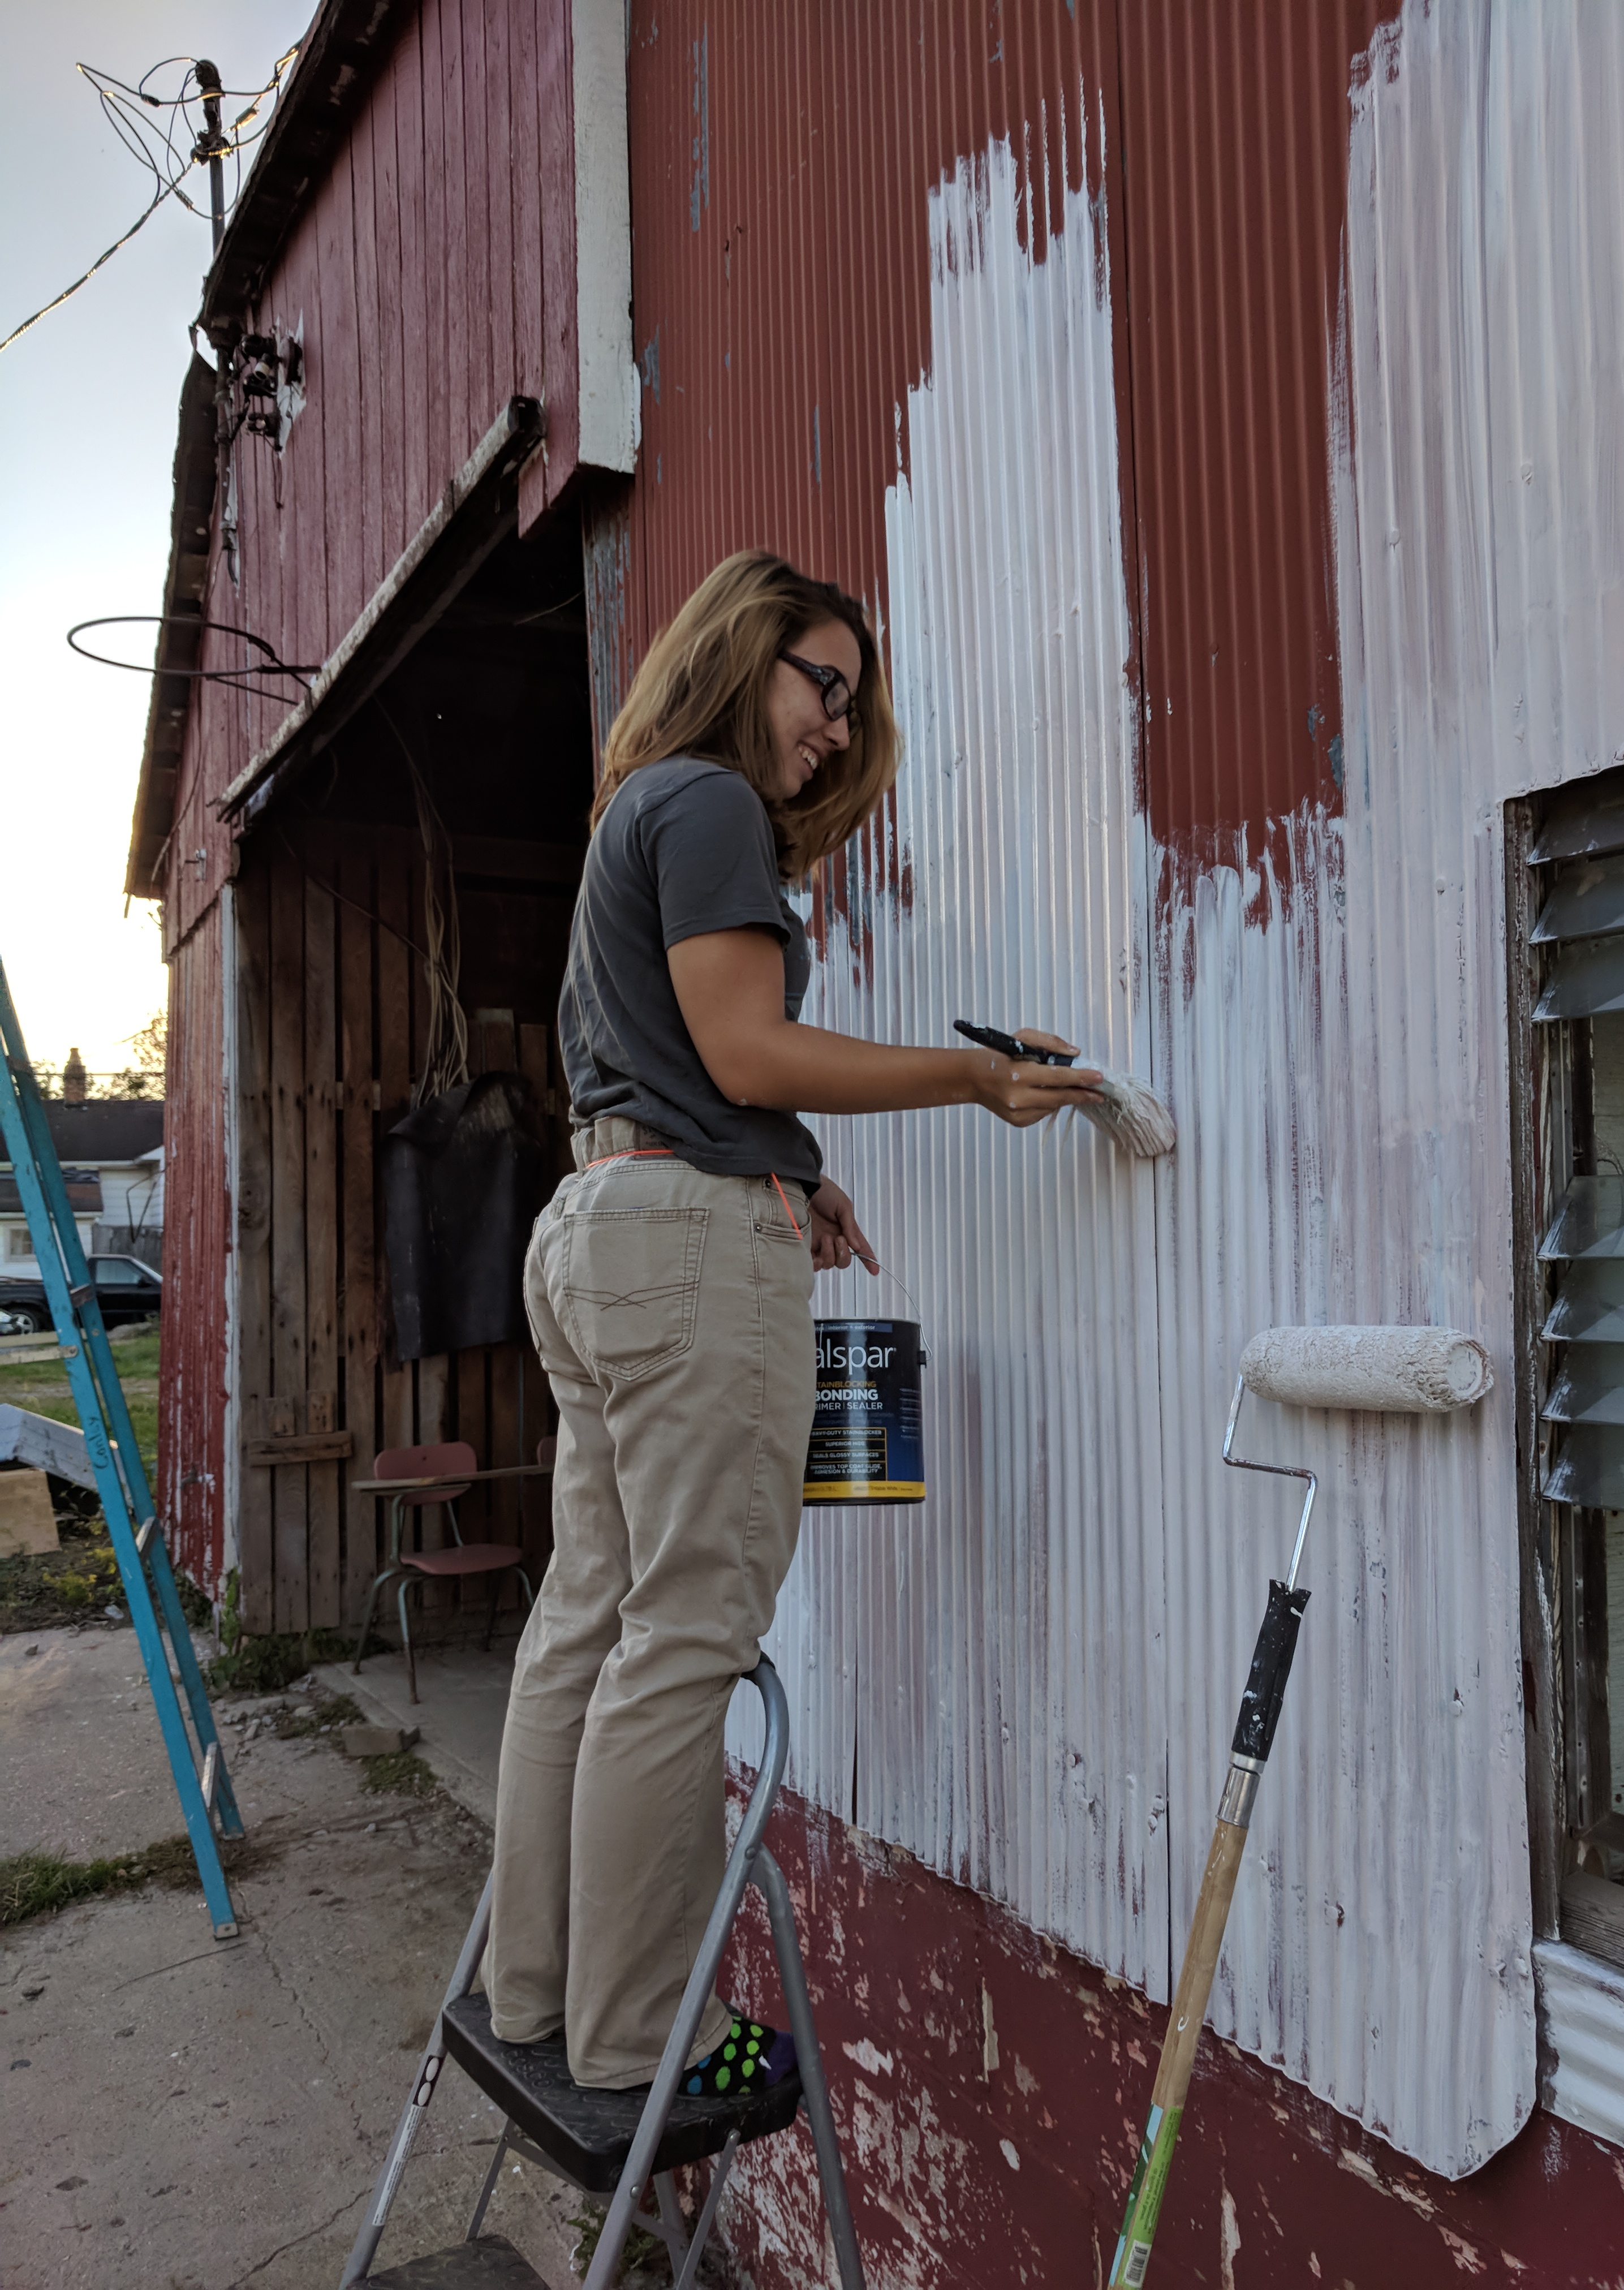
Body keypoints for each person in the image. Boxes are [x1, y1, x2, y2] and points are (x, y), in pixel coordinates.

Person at [484, 549, 1100, 2094]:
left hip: (600, 1219)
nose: (836, 726)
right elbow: (748, 1051)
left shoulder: (637, 812)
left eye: (850, 703)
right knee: (684, 1638)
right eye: (823, 684)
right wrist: (975, 1076)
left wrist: (794, 1171)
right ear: (740, 651)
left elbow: (678, 1063)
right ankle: (648, 2040)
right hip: (683, 1248)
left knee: (588, 1618)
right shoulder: (708, 804)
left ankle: (537, 1994)